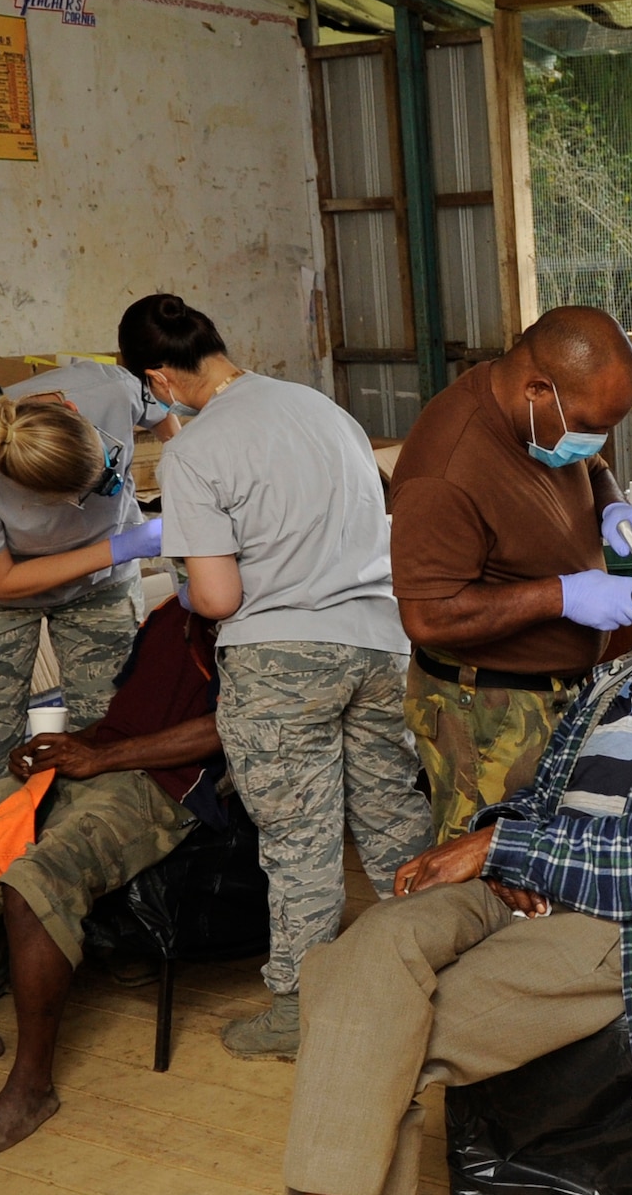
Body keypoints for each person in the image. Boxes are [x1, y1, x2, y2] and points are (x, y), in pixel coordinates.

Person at [279, 518, 632, 1195]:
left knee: (368, 1020)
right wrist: (494, 840)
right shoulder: (613, 679)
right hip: (525, 882)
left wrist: (502, 846)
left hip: (629, 923)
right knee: (367, 950)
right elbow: (539, 800)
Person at [116, 293, 429, 1061]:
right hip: (382, 643)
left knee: (300, 842)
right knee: (395, 821)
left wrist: (189, 587)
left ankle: (299, 1008)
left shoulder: (195, 449)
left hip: (282, 658)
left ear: (159, 378)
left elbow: (218, 597)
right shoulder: (324, 410)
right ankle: (429, 973)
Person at [0, 597, 224, 1161]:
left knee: (33, 881)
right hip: (99, 761)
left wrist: (100, 759)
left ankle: (31, 1088)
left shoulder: (258, 621)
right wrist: (58, 748)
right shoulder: (166, 614)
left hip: (158, 788)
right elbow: (123, 718)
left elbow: (226, 729)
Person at [389, 306, 632, 843]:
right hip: (488, 714)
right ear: (538, 389)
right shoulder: (445, 471)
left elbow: (590, 465)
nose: (598, 441)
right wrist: (562, 596)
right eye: (591, 426)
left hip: (562, 692)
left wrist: (611, 509)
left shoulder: (543, 420)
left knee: (555, 858)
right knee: (490, 865)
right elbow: (426, 618)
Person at [0, 359, 177, 796]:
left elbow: (164, 416)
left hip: (100, 583)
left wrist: (183, 478)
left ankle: (91, 846)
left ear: (76, 411)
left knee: (113, 729)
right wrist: (120, 548)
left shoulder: (110, 389)